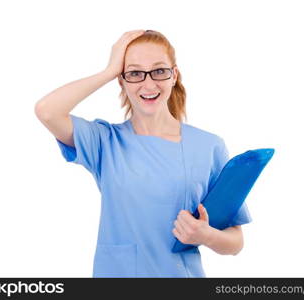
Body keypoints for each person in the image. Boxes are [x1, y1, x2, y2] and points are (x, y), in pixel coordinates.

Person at [34, 29, 251, 278]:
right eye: (135, 73)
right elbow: (47, 111)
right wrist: (108, 71)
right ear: (122, 80)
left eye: (159, 71)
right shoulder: (104, 141)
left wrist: (206, 235)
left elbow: (235, 241)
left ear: (174, 75)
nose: (149, 84)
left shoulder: (208, 146)